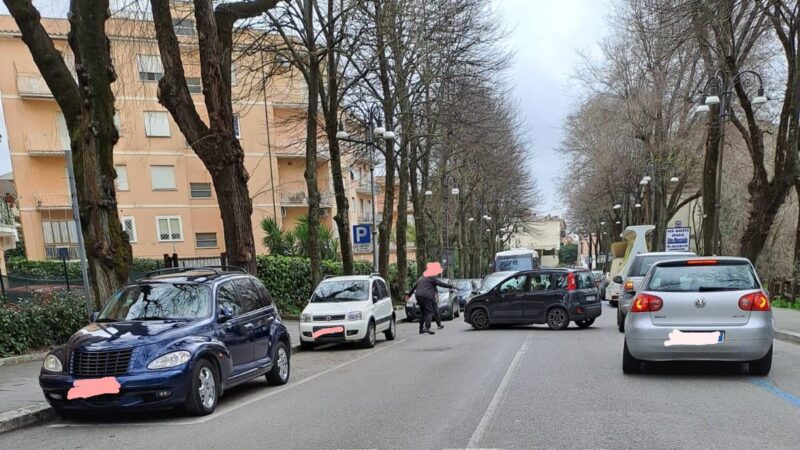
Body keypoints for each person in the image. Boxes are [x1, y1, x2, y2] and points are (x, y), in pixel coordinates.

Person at [407, 262, 456, 335]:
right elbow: (441, 284)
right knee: (429, 312)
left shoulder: (421, 278)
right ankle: (427, 327)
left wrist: (409, 295)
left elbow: (414, 286)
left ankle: (421, 329)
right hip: (427, 296)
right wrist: (451, 286)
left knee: (423, 313)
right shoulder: (432, 278)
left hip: (418, 296)